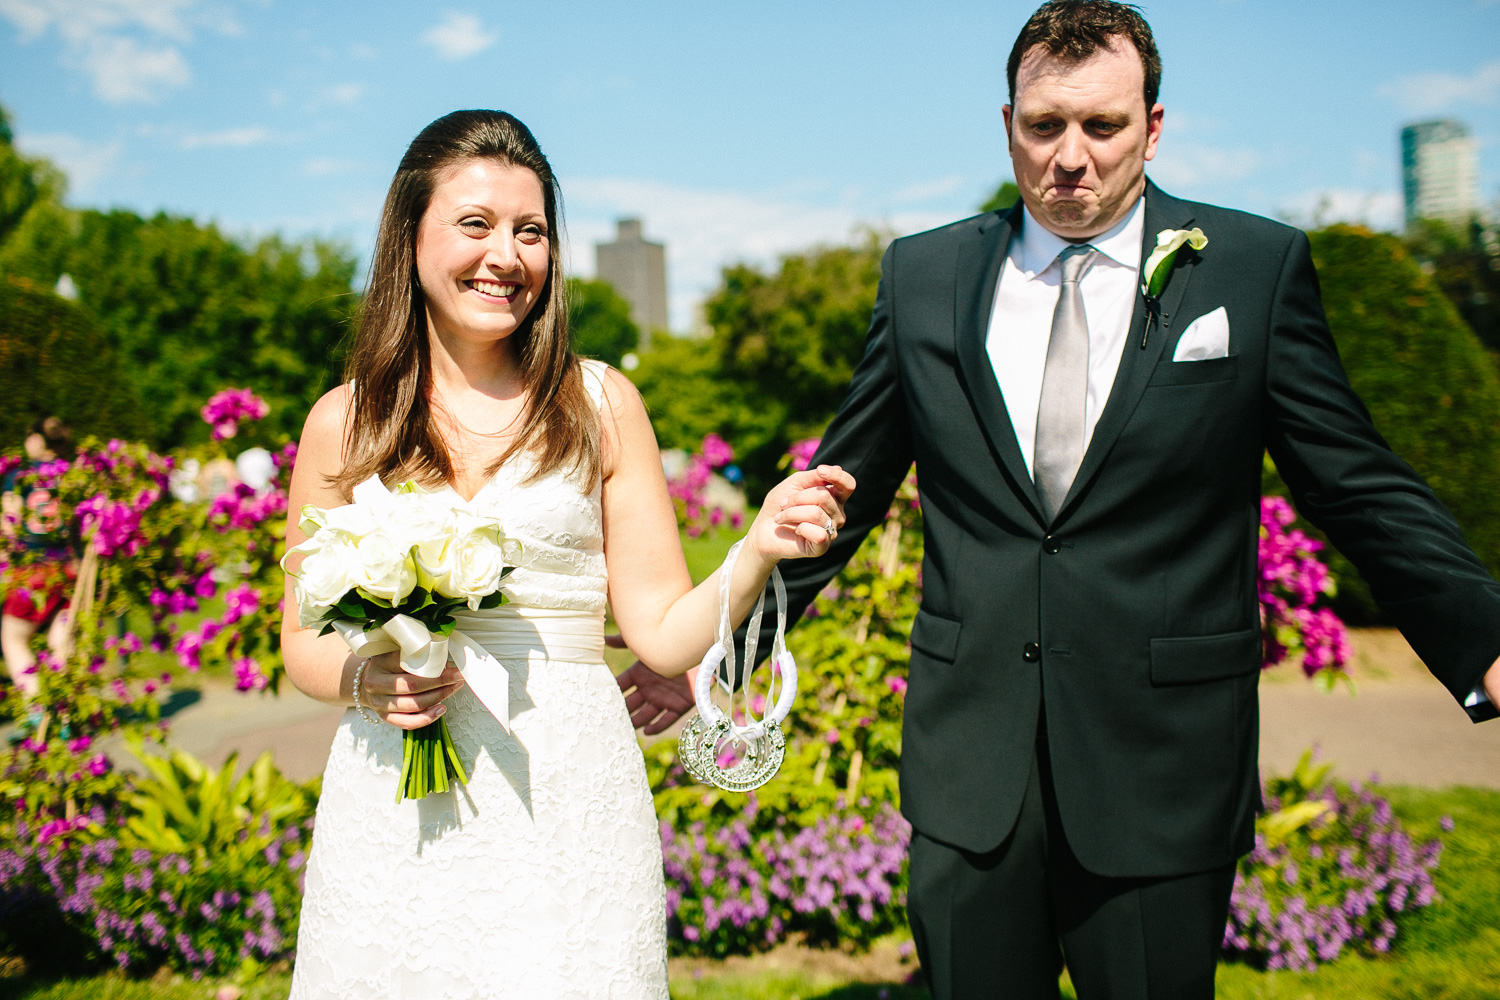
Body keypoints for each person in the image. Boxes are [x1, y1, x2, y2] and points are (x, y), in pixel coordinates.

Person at [622, 3, 1500, 997]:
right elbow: (842, 494)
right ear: (1008, 126)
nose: (1070, 156)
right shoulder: (925, 276)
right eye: (1045, 126)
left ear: (1153, 129)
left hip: (1160, 765)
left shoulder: (1250, 273)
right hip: (971, 770)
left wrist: (1483, 640)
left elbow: (1356, 480)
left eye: (1103, 126)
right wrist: (715, 651)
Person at [279, 109, 854, 999]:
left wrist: (757, 549)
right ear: (410, 235)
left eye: (531, 231)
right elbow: (304, 645)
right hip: (393, 789)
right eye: (475, 224)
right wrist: (367, 680)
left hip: (564, 789)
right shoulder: (343, 421)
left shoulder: (600, 402)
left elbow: (661, 637)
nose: (505, 255)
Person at [1, 417, 76, 707]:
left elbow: (9, 524)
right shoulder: (72, 474)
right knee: (62, 643)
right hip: (67, 568)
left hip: (31, 569)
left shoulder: (19, 475)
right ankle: (63, 710)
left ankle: (37, 709)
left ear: (36, 439)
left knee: (14, 639)